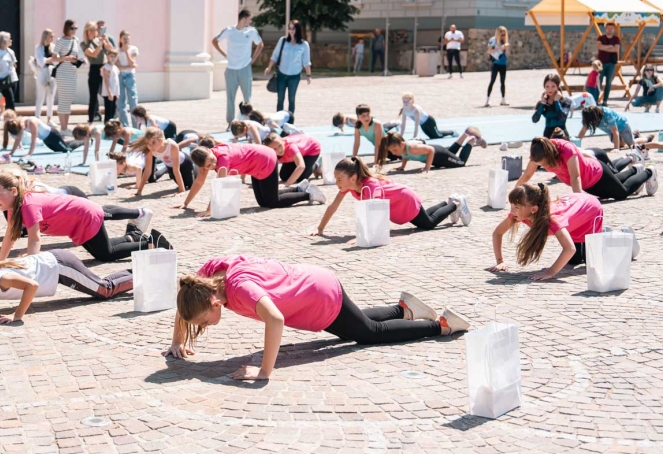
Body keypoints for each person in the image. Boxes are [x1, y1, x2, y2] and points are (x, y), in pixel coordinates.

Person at [162, 255, 469, 378]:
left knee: (369, 333)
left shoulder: (240, 290)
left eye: (203, 321)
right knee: (354, 325)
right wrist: (177, 341)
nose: (204, 327)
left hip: (317, 296)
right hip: (312, 285)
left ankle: (440, 326)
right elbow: (184, 302)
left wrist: (263, 371)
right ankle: (404, 309)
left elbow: (276, 320)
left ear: (215, 302)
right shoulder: (202, 281)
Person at [0, 171, 166, 263]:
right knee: (104, 248)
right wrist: (0, 261)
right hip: (77, 222)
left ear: (14, 191)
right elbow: (10, 236)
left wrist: (32, 262)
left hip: (85, 215)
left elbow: (34, 239)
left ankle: (152, 243)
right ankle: (134, 237)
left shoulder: (28, 205)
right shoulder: (13, 208)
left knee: (106, 254)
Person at [488, 184, 629, 281]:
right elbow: (497, 233)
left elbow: (570, 248)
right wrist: (500, 262)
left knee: (591, 262)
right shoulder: (517, 215)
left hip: (590, 209)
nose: (512, 211)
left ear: (534, 209)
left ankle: (617, 235)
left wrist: (551, 272)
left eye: (517, 207)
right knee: (573, 260)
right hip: (573, 215)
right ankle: (601, 235)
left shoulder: (552, 220)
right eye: (511, 206)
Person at [312, 156, 470, 237]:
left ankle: (456, 204)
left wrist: (364, 237)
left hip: (405, 200)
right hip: (402, 201)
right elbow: (333, 206)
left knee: (427, 224)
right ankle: (447, 201)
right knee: (423, 217)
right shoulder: (349, 186)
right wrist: (320, 229)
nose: (336, 183)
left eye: (339, 179)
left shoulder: (370, 186)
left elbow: (374, 215)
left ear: (353, 178)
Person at [0, 254, 133, 324]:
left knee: (105, 291)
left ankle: (142, 273)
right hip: (56, 264)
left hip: (60, 266)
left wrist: (17, 315)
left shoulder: (0, 278)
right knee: (102, 285)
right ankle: (135, 271)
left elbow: (32, 286)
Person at [181, 142, 325, 216]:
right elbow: (199, 181)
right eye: (209, 165)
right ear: (202, 167)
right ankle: (299, 188)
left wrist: (209, 210)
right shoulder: (206, 161)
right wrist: (185, 203)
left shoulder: (222, 159)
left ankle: (310, 194)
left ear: (209, 150)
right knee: (263, 202)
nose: (213, 165)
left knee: (272, 202)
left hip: (265, 159)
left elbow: (219, 188)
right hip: (255, 164)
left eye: (212, 160)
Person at [515, 137, 657, 201]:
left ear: (549, 155)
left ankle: (649, 172)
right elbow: (527, 175)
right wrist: (515, 193)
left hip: (597, 173)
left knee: (621, 193)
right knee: (612, 188)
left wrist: (578, 201)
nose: (542, 166)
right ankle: (635, 170)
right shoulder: (538, 153)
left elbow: (575, 176)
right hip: (588, 184)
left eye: (544, 163)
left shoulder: (566, 150)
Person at [212, 9, 263, 124]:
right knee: (230, 98)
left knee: (247, 99)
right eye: (249, 19)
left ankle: (247, 122)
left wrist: (253, 59)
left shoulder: (251, 32)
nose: (250, 22)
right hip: (231, 70)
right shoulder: (229, 31)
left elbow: (260, 44)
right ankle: (231, 123)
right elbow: (214, 41)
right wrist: (224, 54)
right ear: (243, 19)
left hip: (245, 69)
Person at [375, 128, 484, 174]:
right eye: (391, 151)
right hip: (438, 154)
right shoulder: (403, 149)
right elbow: (405, 155)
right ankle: (465, 134)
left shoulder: (412, 147)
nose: (394, 153)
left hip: (439, 155)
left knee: (460, 162)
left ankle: (472, 140)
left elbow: (431, 150)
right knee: (452, 153)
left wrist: (427, 168)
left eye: (394, 150)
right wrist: (402, 166)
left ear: (402, 144)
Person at [263, 20, 312, 114]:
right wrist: (269, 67)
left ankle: (290, 120)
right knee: (280, 99)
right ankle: (278, 120)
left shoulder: (304, 45)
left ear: (298, 29)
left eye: (293, 28)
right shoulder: (283, 41)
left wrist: (308, 75)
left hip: (295, 76)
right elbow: (275, 55)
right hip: (281, 74)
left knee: (291, 99)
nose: (291, 30)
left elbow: (306, 62)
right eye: (289, 28)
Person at [129, 127, 194, 196]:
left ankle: (195, 168)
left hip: (185, 163)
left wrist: (181, 190)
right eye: (148, 143)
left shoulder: (172, 145)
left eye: (153, 142)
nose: (150, 146)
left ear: (160, 140)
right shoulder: (149, 150)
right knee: (183, 183)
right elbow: (147, 171)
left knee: (190, 185)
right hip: (170, 166)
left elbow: (176, 170)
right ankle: (166, 169)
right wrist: (139, 191)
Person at [51, 20, 83, 131]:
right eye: (72, 28)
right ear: (67, 28)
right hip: (63, 72)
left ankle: (65, 127)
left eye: (75, 28)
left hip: (72, 72)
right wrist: (65, 58)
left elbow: (77, 54)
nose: (74, 31)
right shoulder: (60, 41)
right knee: (63, 100)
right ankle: (63, 127)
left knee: (68, 100)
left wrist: (77, 60)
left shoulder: (76, 40)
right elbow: (53, 58)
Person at [82, 21, 116, 123]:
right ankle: (91, 120)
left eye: (95, 30)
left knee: (108, 94)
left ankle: (109, 120)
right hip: (94, 69)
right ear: (87, 31)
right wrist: (100, 44)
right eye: (91, 30)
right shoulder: (84, 43)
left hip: (105, 68)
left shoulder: (99, 40)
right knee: (93, 96)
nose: (93, 32)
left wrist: (106, 40)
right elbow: (93, 54)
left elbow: (112, 50)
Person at [6, 116, 71, 156]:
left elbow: (33, 139)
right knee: (58, 150)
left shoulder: (32, 122)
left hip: (53, 136)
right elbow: (18, 139)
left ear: (21, 126)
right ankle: (67, 143)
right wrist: (11, 153)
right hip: (46, 140)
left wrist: (29, 154)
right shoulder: (20, 125)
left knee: (66, 150)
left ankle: (77, 141)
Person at [532, 74, 571, 138]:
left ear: (557, 86)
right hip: (548, 135)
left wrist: (556, 101)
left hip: (562, 135)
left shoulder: (566, 101)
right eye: (547, 86)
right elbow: (534, 120)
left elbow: (562, 117)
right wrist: (542, 103)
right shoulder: (543, 103)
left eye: (553, 86)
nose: (550, 89)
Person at [115, 30, 139, 127]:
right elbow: (117, 66)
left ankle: (136, 126)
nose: (125, 40)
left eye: (127, 39)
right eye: (124, 38)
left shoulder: (133, 49)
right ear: (120, 39)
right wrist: (128, 66)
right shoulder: (117, 51)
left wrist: (126, 51)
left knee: (133, 100)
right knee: (121, 102)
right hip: (120, 76)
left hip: (130, 76)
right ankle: (125, 126)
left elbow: (132, 63)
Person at [32, 29, 56, 124]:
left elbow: (56, 60)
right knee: (40, 96)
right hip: (42, 73)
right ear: (46, 37)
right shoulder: (39, 48)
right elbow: (40, 61)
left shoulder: (53, 47)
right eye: (51, 36)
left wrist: (49, 60)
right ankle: (37, 117)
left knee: (51, 96)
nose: (52, 38)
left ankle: (49, 118)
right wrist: (51, 59)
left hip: (52, 73)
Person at [596, 23, 621, 105]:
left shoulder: (616, 39)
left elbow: (616, 49)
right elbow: (599, 47)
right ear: (605, 29)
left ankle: (605, 100)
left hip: (611, 63)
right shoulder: (601, 38)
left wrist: (604, 47)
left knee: (609, 82)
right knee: (598, 81)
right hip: (601, 63)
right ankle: (596, 100)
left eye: (611, 28)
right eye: (608, 28)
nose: (609, 30)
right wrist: (610, 46)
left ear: (613, 29)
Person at [485, 26, 509, 106]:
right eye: (502, 34)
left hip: (503, 63)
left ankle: (503, 99)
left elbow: (506, 54)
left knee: (503, 82)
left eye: (504, 34)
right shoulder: (493, 40)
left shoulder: (504, 41)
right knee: (492, 81)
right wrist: (499, 48)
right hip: (496, 63)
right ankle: (487, 100)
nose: (503, 36)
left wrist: (506, 48)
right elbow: (489, 51)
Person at [100, 50, 121, 123]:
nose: (113, 58)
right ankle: (107, 126)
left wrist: (116, 93)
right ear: (107, 56)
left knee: (113, 111)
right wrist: (109, 92)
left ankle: (112, 126)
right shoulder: (106, 67)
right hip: (108, 93)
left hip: (114, 92)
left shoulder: (115, 67)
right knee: (108, 112)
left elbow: (116, 81)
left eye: (115, 57)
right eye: (111, 56)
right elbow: (106, 80)